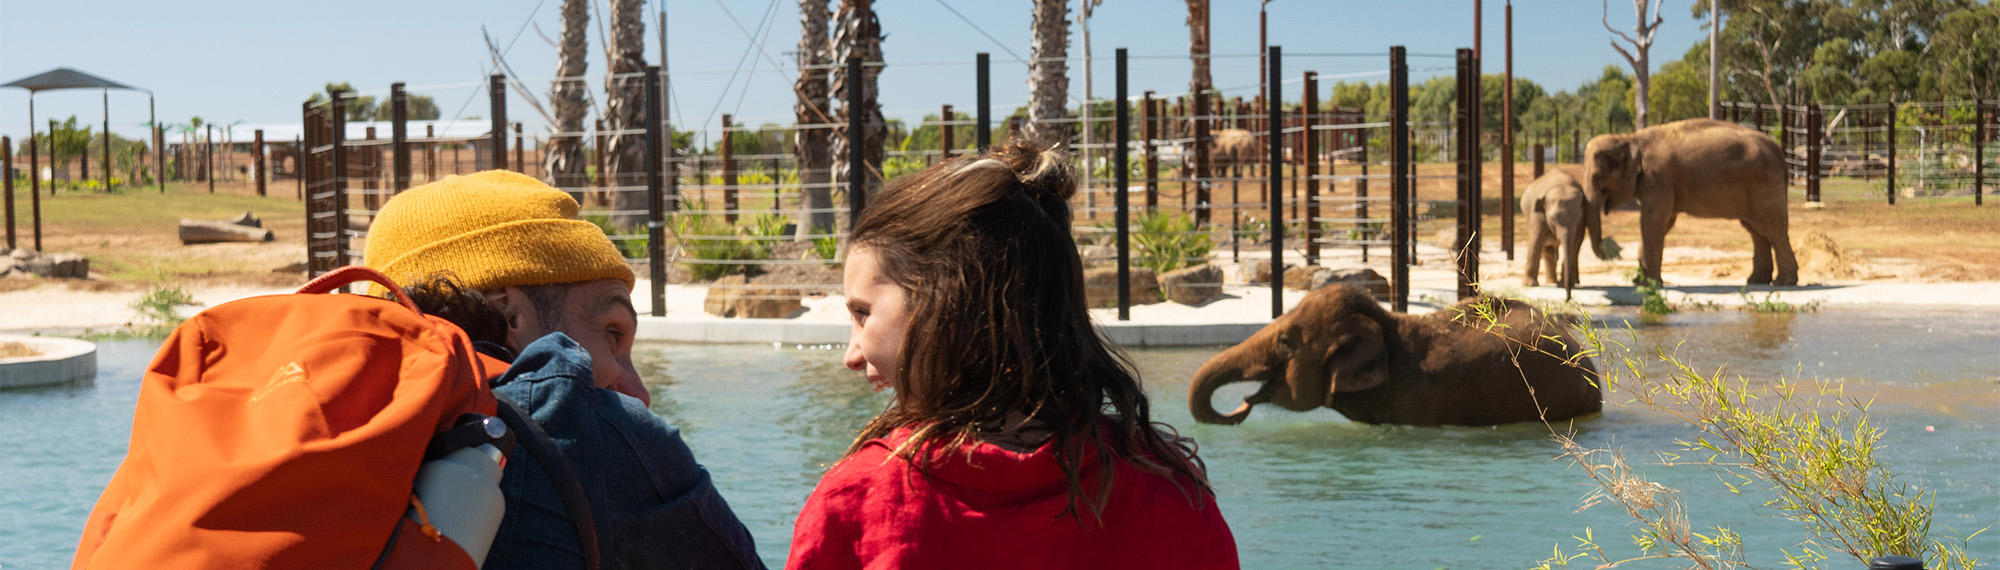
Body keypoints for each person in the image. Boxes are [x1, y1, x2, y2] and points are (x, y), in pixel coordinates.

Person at [786, 142, 1239, 569]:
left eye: (863, 313)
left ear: (944, 303)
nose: (851, 353)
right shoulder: (1169, 493)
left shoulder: (857, 505)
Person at [364, 169, 765, 569]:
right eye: (612, 333)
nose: (639, 391)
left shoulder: (337, 434)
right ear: (510, 314)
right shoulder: (591, 431)